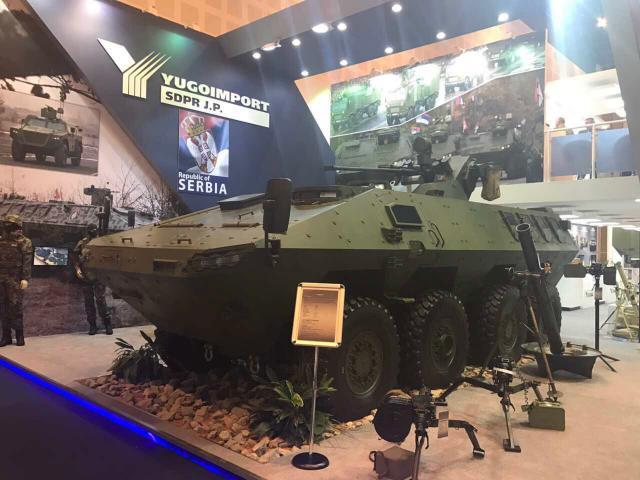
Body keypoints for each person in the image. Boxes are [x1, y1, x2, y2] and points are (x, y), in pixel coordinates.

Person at [73, 224, 112, 335]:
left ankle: (107, 324)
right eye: (91, 231)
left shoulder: (102, 241)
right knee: (88, 302)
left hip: (99, 276)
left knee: (101, 300)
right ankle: (92, 325)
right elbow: (75, 257)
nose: (93, 232)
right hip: (86, 276)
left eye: (94, 230)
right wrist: (77, 269)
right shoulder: (82, 243)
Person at [0, 214, 32, 347]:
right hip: (1, 278)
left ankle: (19, 335)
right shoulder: (1, 239)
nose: (7, 226)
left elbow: (27, 261)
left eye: (10, 224)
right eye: (6, 224)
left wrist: (25, 278)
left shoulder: (24, 241)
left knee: (16, 307)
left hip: (15, 279)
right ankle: (6, 336)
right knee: (2, 307)